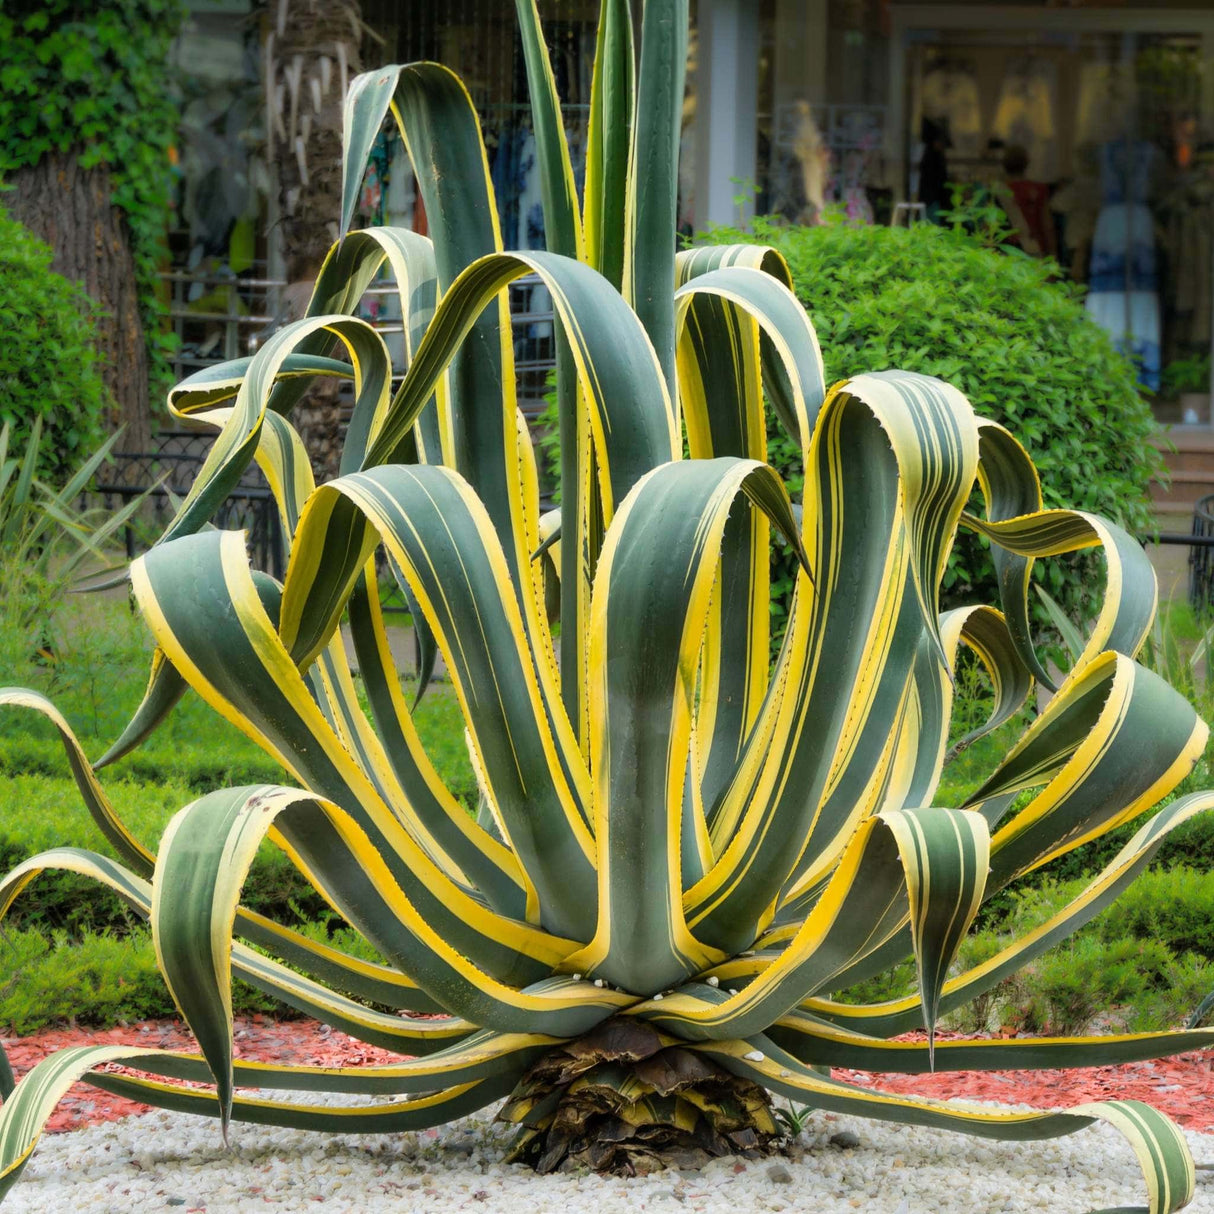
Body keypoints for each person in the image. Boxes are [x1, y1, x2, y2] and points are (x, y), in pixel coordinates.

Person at [1000, 144, 1056, 257]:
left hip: (1010, 250)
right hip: (1036, 247)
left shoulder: (998, 191)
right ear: (1027, 163)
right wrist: (1053, 253)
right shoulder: (1039, 189)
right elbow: (1047, 224)